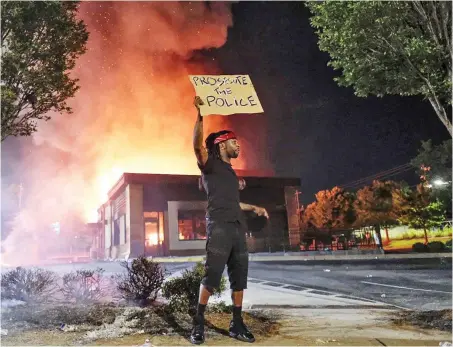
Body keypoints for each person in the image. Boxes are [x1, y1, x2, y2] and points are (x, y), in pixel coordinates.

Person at [190, 96, 269, 345]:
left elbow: (233, 202)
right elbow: (197, 147)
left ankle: (237, 323)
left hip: (237, 227)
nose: (238, 146)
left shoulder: (232, 173)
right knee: (212, 276)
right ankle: (199, 322)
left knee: (239, 277)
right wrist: (200, 115)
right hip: (219, 226)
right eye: (234, 142)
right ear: (222, 145)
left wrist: (253, 207)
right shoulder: (210, 165)